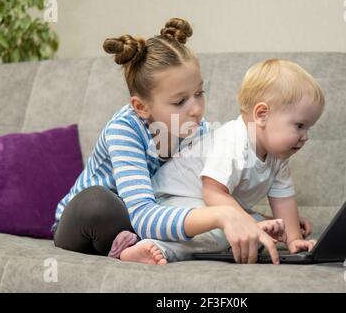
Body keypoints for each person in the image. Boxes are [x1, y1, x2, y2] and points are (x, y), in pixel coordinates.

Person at [52, 18, 294, 265]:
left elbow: (210, 196)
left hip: (151, 217)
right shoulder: (124, 130)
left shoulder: (198, 130)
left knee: (201, 206)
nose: (196, 109)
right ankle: (131, 244)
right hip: (90, 223)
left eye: (199, 93)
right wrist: (223, 216)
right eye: (180, 102)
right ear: (141, 106)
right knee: (98, 203)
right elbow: (144, 215)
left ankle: (135, 247)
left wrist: (255, 220)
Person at [119, 58, 324, 265]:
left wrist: (294, 238)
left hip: (206, 205)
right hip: (171, 202)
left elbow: (284, 199)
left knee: (269, 226)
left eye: (308, 128)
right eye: (299, 126)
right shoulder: (233, 141)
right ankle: (155, 248)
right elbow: (213, 192)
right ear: (262, 115)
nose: (305, 136)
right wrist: (243, 224)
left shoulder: (278, 157)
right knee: (224, 231)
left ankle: (241, 234)